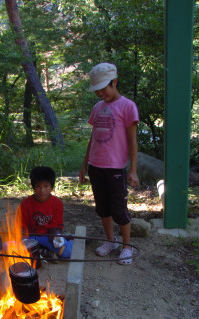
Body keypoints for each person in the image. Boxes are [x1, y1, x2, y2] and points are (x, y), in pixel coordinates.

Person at [79, 62, 139, 265]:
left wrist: (133, 170)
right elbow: (93, 137)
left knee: (119, 209)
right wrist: (84, 165)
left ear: (114, 82)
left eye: (103, 89)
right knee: (102, 208)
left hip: (115, 167)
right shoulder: (97, 107)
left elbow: (132, 140)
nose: (100, 94)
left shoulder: (127, 106)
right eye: (97, 90)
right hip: (96, 166)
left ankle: (127, 246)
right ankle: (110, 241)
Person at [16, 166, 73, 259]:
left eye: (46, 186)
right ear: (33, 186)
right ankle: (44, 252)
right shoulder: (25, 204)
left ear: (51, 186)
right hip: (31, 237)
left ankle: (41, 251)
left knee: (67, 252)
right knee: (13, 249)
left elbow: (56, 225)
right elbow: (22, 226)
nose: (42, 190)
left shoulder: (57, 203)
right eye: (38, 186)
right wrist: (22, 239)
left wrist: (56, 235)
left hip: (48, 237)